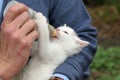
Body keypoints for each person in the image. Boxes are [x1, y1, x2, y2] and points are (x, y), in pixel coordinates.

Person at [0, 0, 97, 80]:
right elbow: (44, 52)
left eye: (64, 32)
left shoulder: (59, 50)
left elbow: (84, 34)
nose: (58, 29)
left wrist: (62, 76)